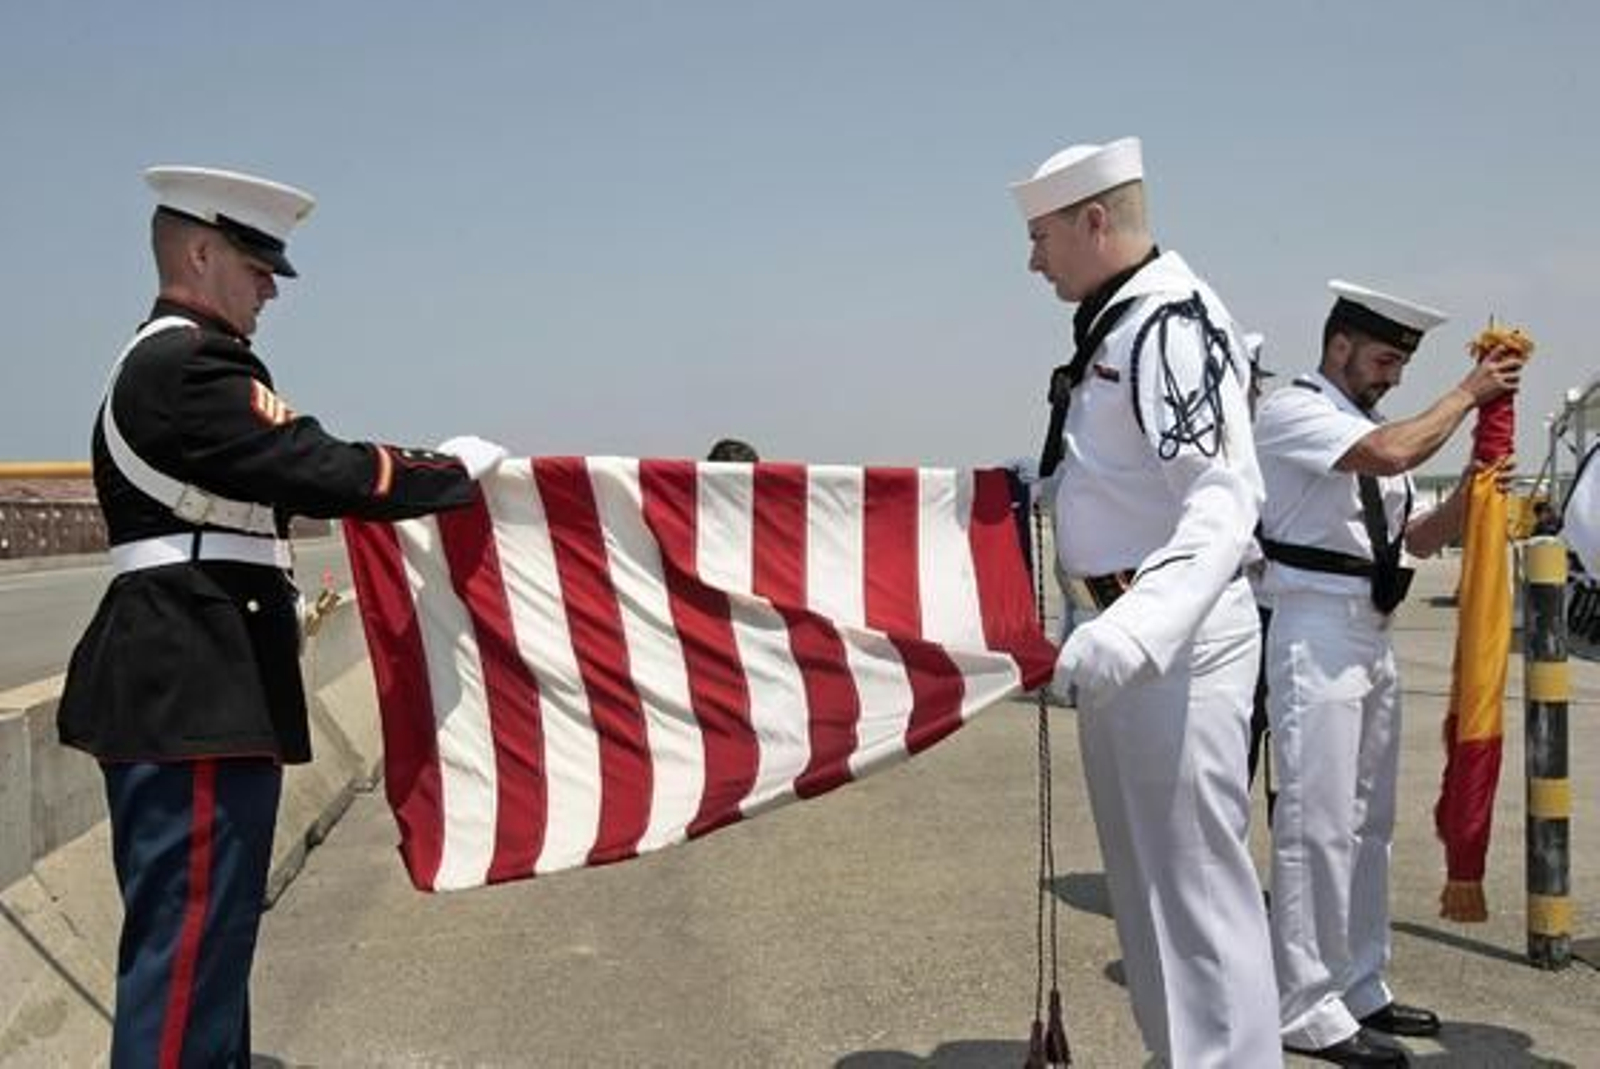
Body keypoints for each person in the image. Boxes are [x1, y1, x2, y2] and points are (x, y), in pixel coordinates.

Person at [58, 165, 506, 1067]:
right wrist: (449, 473)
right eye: (257, 263)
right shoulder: (187, 365)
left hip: (197, 689)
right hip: (191, 695)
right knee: (187, 960)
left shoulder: (167, 364)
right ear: (197, 251)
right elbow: (315, 466)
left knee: (210, 953)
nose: (270, 286)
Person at [1011, 137, 1281, 1066]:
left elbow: (1222, 496)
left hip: (1172, 643)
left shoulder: (1169, 321)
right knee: (1149, 896)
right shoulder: (1116, 323)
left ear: (1096, 221)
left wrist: (1132, 627)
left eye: (1042, 235)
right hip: (1121, 639)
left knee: (1197, 900)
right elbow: (1104, 479)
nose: (1033, 258)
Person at [1254, 281, 1524, 1066]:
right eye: (1382, 359)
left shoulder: (1373, 426)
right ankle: (1303, 1002)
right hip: (1313, 629)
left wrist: (1476, 495)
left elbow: (1415, 537)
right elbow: (1393, 453)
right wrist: (1468, 393)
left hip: (1372, 632)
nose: (1392, 376)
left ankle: (1359, 982)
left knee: (1368, 822)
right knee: (1316, 822)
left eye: (1403, 365)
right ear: (1338, 345)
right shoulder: (1293, 412)